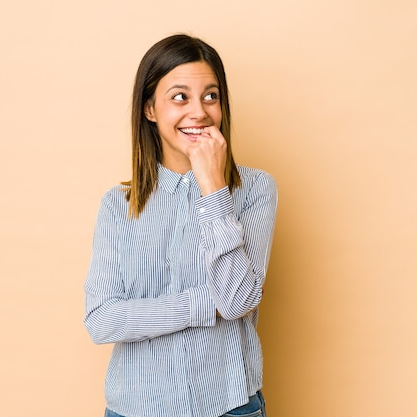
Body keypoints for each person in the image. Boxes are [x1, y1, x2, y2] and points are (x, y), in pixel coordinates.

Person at [84, 34, 277, 417]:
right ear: (150, 110)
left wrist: (213, 187)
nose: (199, 112)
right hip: (135, 408)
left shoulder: (255, 189)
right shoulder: (116, 206)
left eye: (210, 96)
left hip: (229, 406)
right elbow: (102, 320)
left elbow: (237, 301)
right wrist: (204, 305)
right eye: (179, 97)